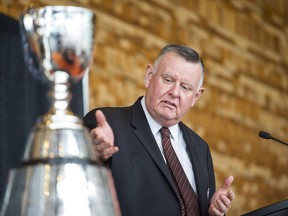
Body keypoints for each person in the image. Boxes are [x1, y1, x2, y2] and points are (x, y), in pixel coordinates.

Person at [83, 44, 235, 216]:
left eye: (185, 87)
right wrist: (92, 150)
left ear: (196, 97)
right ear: (149, 76)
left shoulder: (201, 148)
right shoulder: (108, 124)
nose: (175, 92)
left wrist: (212, 212)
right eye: (168, 80)